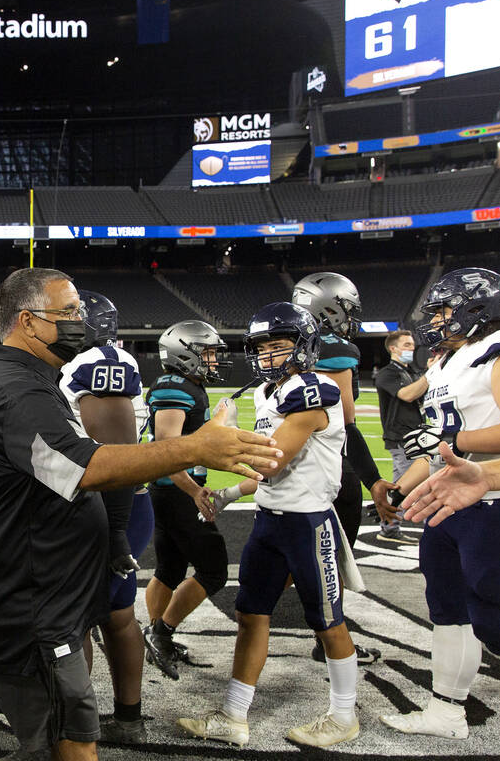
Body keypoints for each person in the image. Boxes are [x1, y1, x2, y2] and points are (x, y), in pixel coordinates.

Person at [0, 267, 282, 761]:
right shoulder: (17, 392)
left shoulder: (27, 378)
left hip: (1, 590)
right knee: (75, 736)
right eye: (69, 312)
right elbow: (87, 467)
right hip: (25, 602)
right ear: (28, 322)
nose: (81, 321)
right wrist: (194, 449)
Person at [177, 302, 360, 748]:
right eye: (261, 347)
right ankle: (233, 716)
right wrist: (227, 493)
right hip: (270, 521)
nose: (268, 355)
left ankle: (343, 716)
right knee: (250, 615)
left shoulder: (317, 390)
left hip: (308, 523)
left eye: (278, 346)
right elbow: (265, 477)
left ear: (304, 346)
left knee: (327, 621)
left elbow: (273, 462)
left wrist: (217, 439)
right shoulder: (266, 393)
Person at [377, 268, 500, 738]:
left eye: (442, 309)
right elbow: (437, 449)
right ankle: (446, 712)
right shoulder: (445, 362)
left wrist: (456, 439)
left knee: (495, 625)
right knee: (446, 608)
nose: (435, 320)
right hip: (451, 500)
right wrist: (402, 489)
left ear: (475, 309)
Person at [56, 289, 151, 745]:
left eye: (70, 317)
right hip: (114, 503)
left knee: (89, 619)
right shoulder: (102, 360)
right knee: (110, 616)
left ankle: (80, 730)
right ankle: (115, 719)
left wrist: (115, 530)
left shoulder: (97, 363)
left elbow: (116, 454)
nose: (61, 325)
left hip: (110, 505)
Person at [291, 272, 392, 664]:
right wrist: (372, 480)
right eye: (346, 310)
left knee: (287, 552)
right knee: (331, 560)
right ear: (328, 309)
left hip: (290, 462)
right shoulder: (334, 348)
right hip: (331, 469)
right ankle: (330, 641)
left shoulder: (284, 345)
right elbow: (345, 424)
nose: (350, 319)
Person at [142, 319, 231, 682]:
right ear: (185, 354)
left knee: (169, 570)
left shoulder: (188, 385)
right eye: (207, 352)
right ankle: (160, 633)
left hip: (170, 491)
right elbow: (167, 450)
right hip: (175, 491)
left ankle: (156, 636)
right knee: (214, 568)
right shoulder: (173, 386)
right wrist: (194, 490)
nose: (212, 360)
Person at [374, 329, 427, 538]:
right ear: (392, 348)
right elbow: (406, 394)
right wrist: (432, 373)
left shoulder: (412, 372)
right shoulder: (388, 373)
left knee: (406, 484)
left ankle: (391, 526)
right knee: (403, 485)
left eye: (412, 345)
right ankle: (389, 527)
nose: (411, 349)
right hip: (400, 438)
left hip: (416, 436)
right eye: (406, 345)